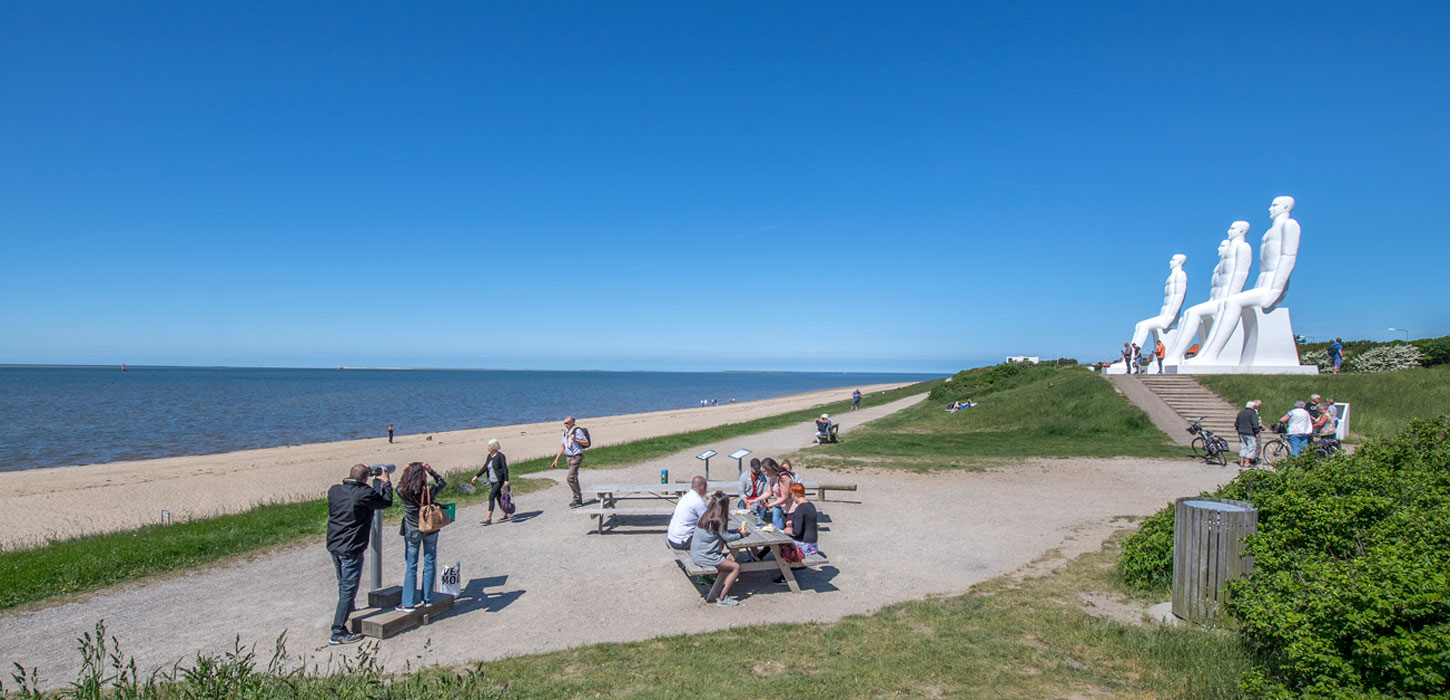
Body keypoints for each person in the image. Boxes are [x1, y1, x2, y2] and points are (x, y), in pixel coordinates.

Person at [325, 463, 393, 645]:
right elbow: (386, 502)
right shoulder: (365, 494)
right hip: (352, 547)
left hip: (334, 545)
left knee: (343, 584)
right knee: (348, 590)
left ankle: (348, 610)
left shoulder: (334, 491)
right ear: (365, 479)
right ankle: (338, 631)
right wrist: (386, 483)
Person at [396, 461, 446, 611]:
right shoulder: (429, 490)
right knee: (429, 562)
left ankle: (408, 602)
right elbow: (442, 482)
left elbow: (397, 487)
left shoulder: (403, 490)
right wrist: (431, 471)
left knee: (411, 565)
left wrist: (405, 471)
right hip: (429, 529)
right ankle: (427, 598)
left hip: (412, 531)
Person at [690, 492, 748, 607]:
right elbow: (727, 538)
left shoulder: (706, 516)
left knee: (727, 561)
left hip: (696, 553)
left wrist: (734, 531)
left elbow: (721, 534)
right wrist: (741, 535)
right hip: (706, 556)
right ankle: (722, 598)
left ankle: (719, 587)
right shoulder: (718, 520)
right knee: (735, 567)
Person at [549, 416, 590, 508]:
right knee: (574, 478)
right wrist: (556, 459)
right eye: (564, 423)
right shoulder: (565, 432)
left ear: (572, 423)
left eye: (567, 423)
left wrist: (576, 439)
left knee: (569, 478)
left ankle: (576, 498)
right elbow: (562, 446)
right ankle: (578, 499)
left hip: (576, 457)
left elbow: (586, 443)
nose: (565, 424)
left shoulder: (577, 431)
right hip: (568, 457)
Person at [471, 438, 510, 525]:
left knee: (491, 496)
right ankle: (504, 513)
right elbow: (485, 467)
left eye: (489, 446)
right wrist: (476, 476)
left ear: (493, 446)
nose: (487, 447)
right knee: (498, 496)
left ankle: (488, 518)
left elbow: (505, 469)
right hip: (492, 480)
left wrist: (506, 480)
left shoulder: (500, 456)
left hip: (499, 480)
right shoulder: (489, 456)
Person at [666, 475, 708, 550]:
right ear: (703, 487)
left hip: (672, 537)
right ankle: (714, 559)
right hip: (682, 542)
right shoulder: (697, 501)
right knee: (714, 538)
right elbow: (709, 521)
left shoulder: (686, 496)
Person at [756, 459, 796, 530]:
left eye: (765, 471)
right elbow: (768, 492)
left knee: (786, 531)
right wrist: (756, 500)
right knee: (777, 528)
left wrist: (769, 505)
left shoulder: (784, 478)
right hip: (783, 509)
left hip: (792, 510)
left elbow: (784, 498)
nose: (764, 473)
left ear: (770, 469)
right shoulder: (772, 476)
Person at [782, 482, 819, 556]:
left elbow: (796, 532)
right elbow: (807, 522)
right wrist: (793, 522)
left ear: (794, 494)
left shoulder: (800, 509)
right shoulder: (811, 505)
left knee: (780, 536)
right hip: (813, 543)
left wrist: (787, 530)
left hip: (804, 545)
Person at [1235, 400, 1262, 468]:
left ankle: (1241, 462)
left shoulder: (1241, 413)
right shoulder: (1253, 414)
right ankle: (1247, 462)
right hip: (1250, 432)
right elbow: (1255, 424)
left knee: (1243, 446)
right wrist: (1256, 432)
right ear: (1253, 406)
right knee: (1251, 447)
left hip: (1241, 432)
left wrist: (1238, 430)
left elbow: (1236, 423)